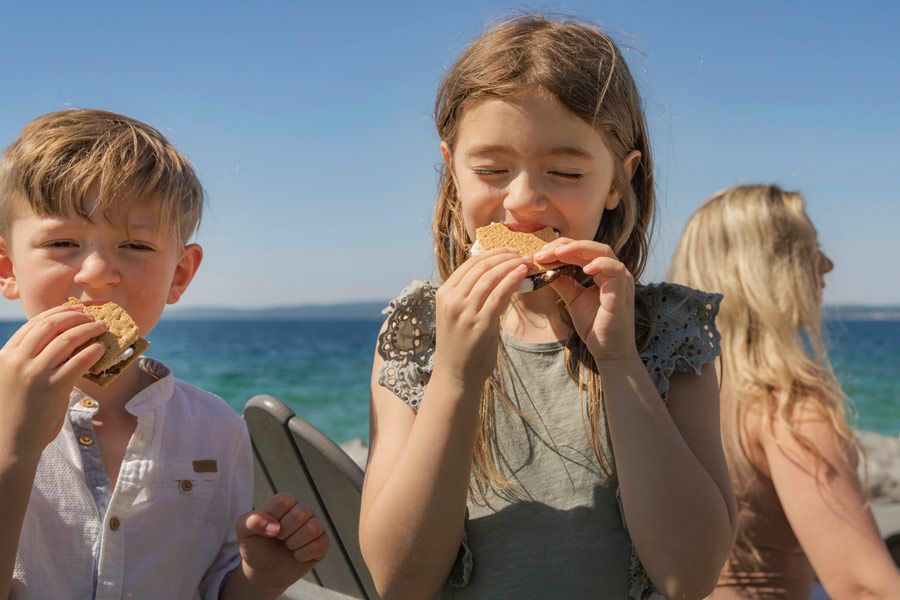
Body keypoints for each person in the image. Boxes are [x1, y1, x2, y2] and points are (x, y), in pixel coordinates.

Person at [359, 15, 737, 600]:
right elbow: (399, 580)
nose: (524, 202)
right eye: (490, 170)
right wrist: (456, 378)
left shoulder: (669, 334)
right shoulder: (418, 331)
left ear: (618, 180)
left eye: (564, 172)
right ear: (452, 170)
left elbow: (690, 575)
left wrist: (619, 363)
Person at [0, 109, 329, 599]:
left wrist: (257, 578)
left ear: (180, 274)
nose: (97, 272)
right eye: (62, 242)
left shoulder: (217, 430)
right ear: (7, 267)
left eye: (135, 244)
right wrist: (16, 446)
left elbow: (211, 587)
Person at [668, 184, 900, 598]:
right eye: (809, 251)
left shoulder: (657, 385)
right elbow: (864, 588)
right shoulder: (782, 404)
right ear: (765, 271)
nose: (826, 265)